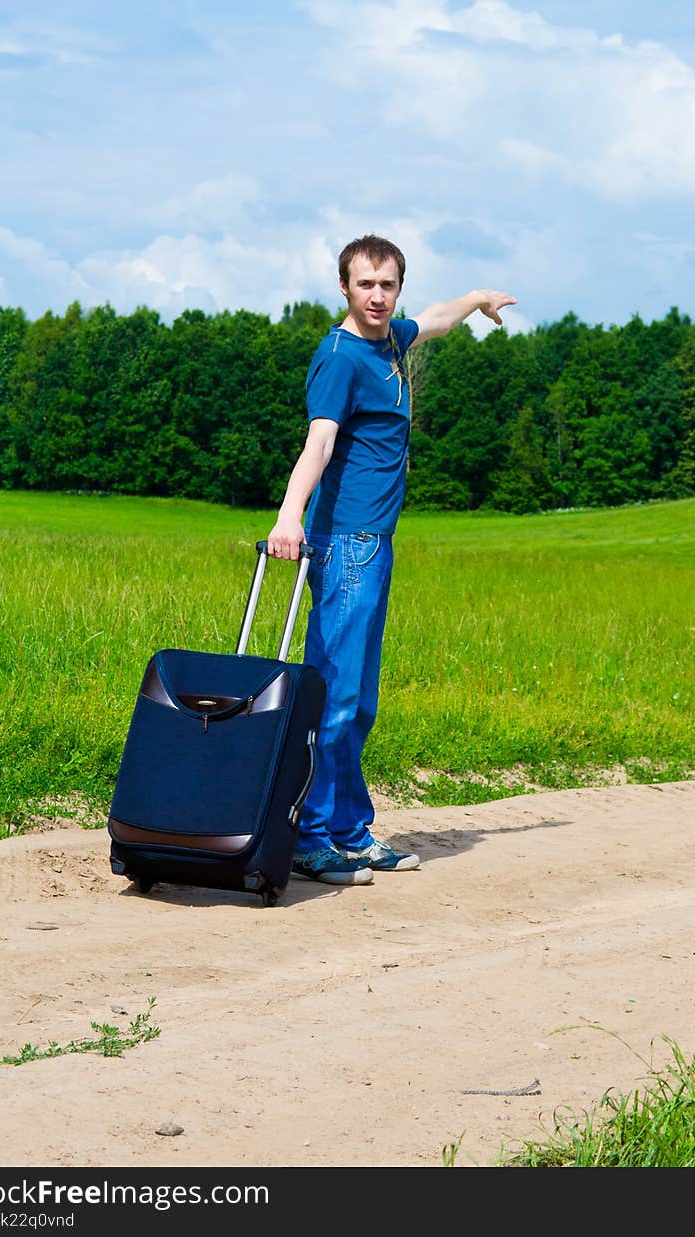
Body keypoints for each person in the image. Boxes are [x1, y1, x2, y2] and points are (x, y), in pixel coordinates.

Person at [267, 234, 516, 885]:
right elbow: (319, 442)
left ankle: (349, 827)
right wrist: (290, 514)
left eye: (388, 285)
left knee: (360, 700)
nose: (377, 296)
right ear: (344, 287)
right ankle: (310, 836)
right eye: (365, 284)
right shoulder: (342, 358)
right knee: (333, 699)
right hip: (346, 543)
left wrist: (477, 299)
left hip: (376, 546)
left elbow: (433, 320)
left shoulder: (392, 342)